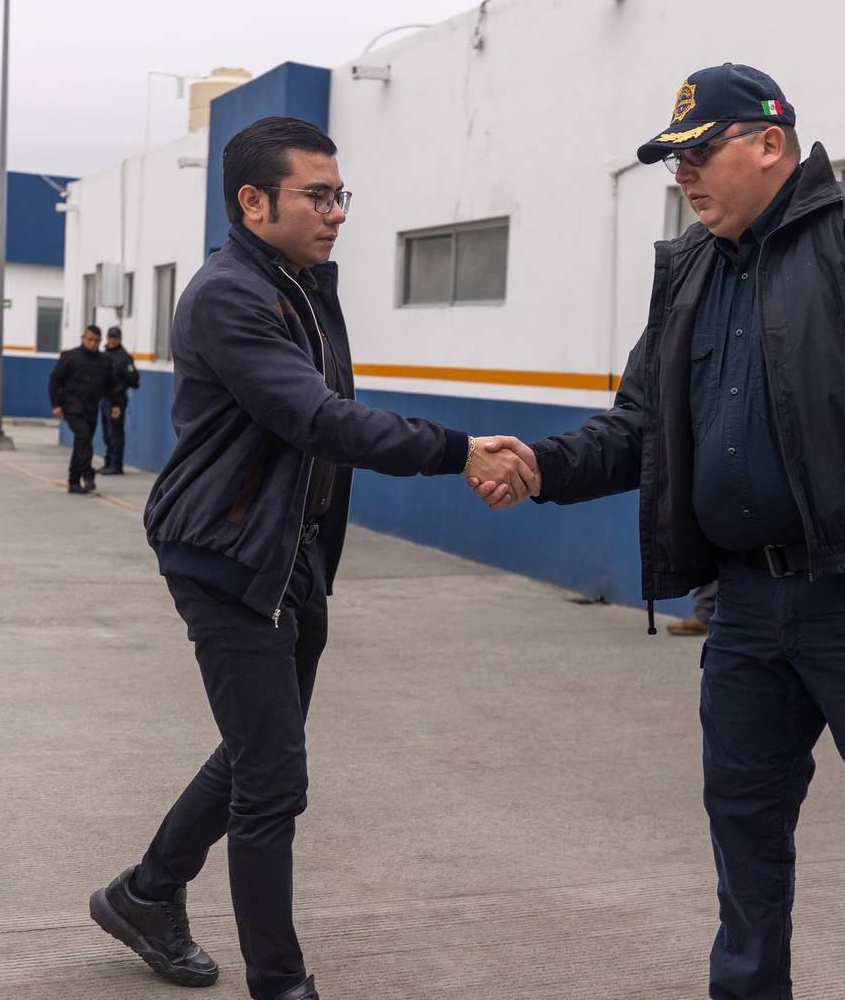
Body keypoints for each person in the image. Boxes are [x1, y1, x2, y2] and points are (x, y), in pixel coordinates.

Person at [473, 64, 845, 999]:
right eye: (671, 161)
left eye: (698, 153)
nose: (682, 177)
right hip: (745, 608)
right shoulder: (689, 271)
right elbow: (642, 426)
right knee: (744, 831)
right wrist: (543, 467)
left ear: (770, 144)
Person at [87, 117, 537, 1000]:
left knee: (261, 748)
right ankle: (281, 983)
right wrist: (458, 450)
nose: (336, 212)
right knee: (273, 782)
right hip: (224, 550)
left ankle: (145, 892)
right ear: (253, 202)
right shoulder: (229, 296)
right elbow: (318, 417)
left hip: (289, 553)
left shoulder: (301, 285)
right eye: (318, 196)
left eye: (341, 196)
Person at [49, 324, 121, 494]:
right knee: (83, 436)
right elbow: (54, 380)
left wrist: (115, 404)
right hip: (71, 405)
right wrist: (56, 405)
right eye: (90, 340)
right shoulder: (71, 357)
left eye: (96, 341)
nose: (93, 343)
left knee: (82, 441)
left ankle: (73, 482)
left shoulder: (104, 361)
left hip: (91, 407)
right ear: (83, 338)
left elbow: (112, 385)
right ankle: (88, 476)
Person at [100, 325, 140, 475]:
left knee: (115, 432)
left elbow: (134, 380)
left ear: (120, 339)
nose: (112, 340)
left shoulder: (123, 357)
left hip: (116, 400)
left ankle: (116, 465)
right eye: (110, 337)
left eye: (115, 337)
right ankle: (108, 462)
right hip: (104, 399)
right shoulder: (104, 355)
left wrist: (121, 387)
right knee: (106, 432)